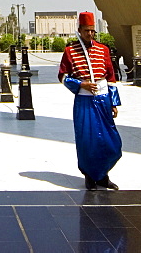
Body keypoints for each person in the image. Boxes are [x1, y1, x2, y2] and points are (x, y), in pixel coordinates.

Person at [57, 11, 122, 191]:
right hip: (84, 103)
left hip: (103, 101)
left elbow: (110, 77)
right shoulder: (70, 51)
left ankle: (103, 175)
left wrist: (114, 102)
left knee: (111, 141)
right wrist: (81, 84)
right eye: (87, 31)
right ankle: (90, 177)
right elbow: (62, 76)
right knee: (87, 140)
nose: (90, 34)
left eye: (92, 31)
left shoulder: (103, 50)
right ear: (79, 30)